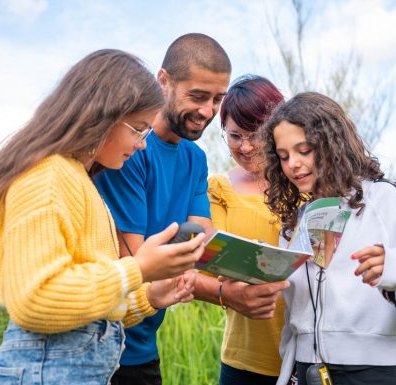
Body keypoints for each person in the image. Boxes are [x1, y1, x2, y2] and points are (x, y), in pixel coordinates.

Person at [0, 49, 206, 385]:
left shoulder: (78, 179)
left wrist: (148, 296)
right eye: (138, 129)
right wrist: (138, 268)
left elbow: (86, 307)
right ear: (102, 116)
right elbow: (36, 299)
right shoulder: (46, 177)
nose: (141, 145)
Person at [94, 34, 288, 385]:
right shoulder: (129, 149)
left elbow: (201, 246)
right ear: (163, 81)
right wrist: (226, 293)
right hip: (104, 343)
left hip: (144, 343)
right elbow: (140, 264)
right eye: (197, 96)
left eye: (217, 99)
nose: (208, 111)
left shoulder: (195, 159)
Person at [261, 92, 396, 385]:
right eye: (283, 156)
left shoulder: (382, 198)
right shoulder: (298, 219)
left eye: (304, 150)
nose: (293, 163)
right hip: (306, 370)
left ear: (332, 144)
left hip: (370, 370)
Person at [208, 74, 286, 385]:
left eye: (256, 134)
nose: (247, 146)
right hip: (245, 360)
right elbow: (209, 264)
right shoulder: (218, 189)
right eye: (235, 136)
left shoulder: (308, 186)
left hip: (308, 355)